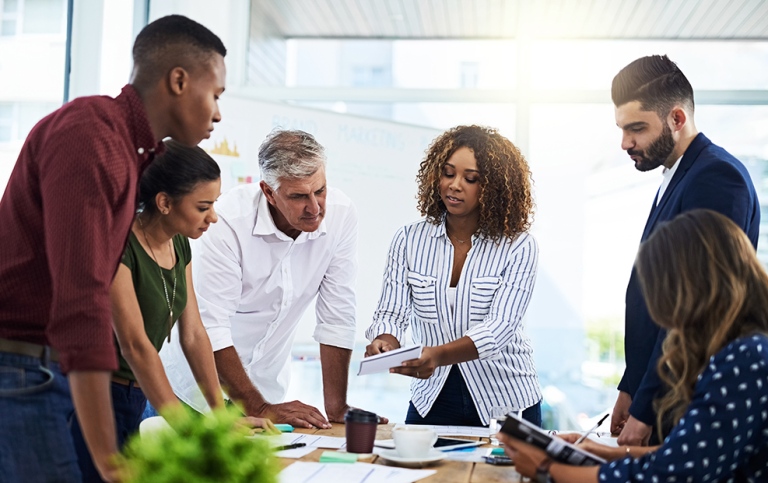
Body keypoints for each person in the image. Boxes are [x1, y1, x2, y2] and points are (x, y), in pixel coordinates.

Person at [0, 15, 226, 482]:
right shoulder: (92, 136)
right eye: (216, 94)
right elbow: (82, 301)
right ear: (179, 81)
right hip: (21, 368)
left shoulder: (130, 152)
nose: (218, 114)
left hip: (44, 369)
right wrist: (109, 461)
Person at [501, 209, 768, 481]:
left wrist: (548, 470)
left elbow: (671, 475)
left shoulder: (745, 358)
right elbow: (681, 455)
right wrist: (595, 450)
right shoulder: (747, 350)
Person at [70, 141, 273, 481]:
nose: (213, 217)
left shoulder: (180, 243)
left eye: (215, 205)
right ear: (164, 202)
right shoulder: (119, 243)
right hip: (97, 396)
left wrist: (220, 415)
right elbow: (135, 346)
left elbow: (193, 333)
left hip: (134, 395)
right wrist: (190, 430)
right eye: (203, 206)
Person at [160, 129, 386, 429]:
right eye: (298, 196)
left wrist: (337, 407)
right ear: (268, 192)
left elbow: (337, 314)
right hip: (194, 394)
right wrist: (260, 407)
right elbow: (211, 327)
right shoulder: (227, 221)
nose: (315, 208)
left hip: (266, 390)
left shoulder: (341, 215)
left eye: (320, 190)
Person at [609, 54, 760, 446]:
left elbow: (694, 309)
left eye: (636, 128)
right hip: (661, 394)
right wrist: (631, 386)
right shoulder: (678, 175)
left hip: (682, 400)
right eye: (622, 129)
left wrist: (647, 407)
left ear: (677, 119)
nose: (625, 142)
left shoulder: (716, 177)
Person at [365, 125, 543, 426]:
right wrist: (386, 341)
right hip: (431, 396)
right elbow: (391, 312)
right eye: (448, 173)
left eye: (470, 178)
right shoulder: (408, 240)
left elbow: (499, 328)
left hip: (505, 400)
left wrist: (436, 355)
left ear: (494, 187)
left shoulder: (519, 245)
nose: (454, 185)